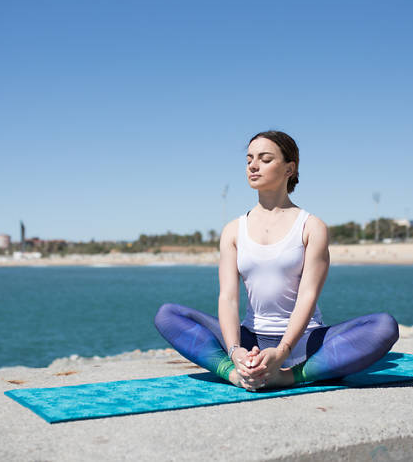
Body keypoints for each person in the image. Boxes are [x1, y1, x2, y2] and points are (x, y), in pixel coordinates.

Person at [154, 130, 398, 391]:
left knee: (384, 326)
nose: (253, 165)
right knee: (168, 315)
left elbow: (308, 296)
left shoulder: (312, 227)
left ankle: (290, 376)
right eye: (249, 159)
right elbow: (228, 297)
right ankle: (235, 374)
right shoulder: (233, 230)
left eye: (265, 159)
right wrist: (235, 351)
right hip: (251, 338)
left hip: (305, 340)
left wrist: (282, 352)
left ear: (289, 168)